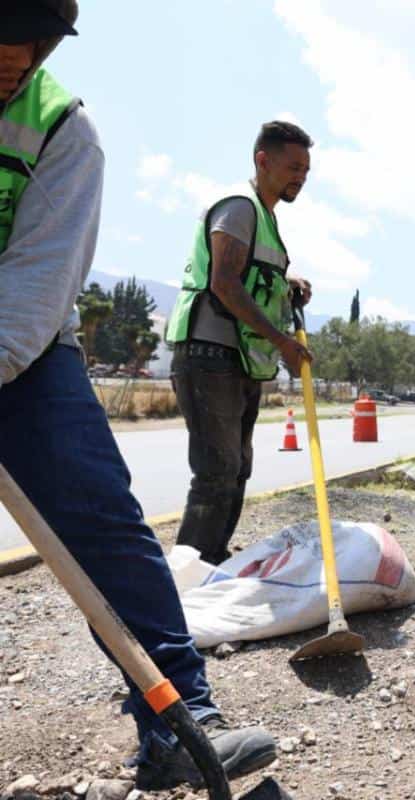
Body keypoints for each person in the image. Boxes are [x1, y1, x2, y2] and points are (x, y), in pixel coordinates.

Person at [0, 0, 276, 787]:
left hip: (24, 348)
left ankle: (178, 725)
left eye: (37, 39)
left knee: (103, 522)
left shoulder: (62, 131)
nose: (18, 56)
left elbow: (32, 293)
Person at [165, 121, 314, 565]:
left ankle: (212, 562)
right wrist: (282, 341)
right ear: (262, 160)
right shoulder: (239, 207)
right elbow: (225, 283)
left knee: (237, 469)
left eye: (305, 170)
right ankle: (188, 578)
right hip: (209, 354)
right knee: (216, 471)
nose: (300, 177)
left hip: (241, 359)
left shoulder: (264, 218)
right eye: (292, 167)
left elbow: (252, 273)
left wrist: (287, 283)